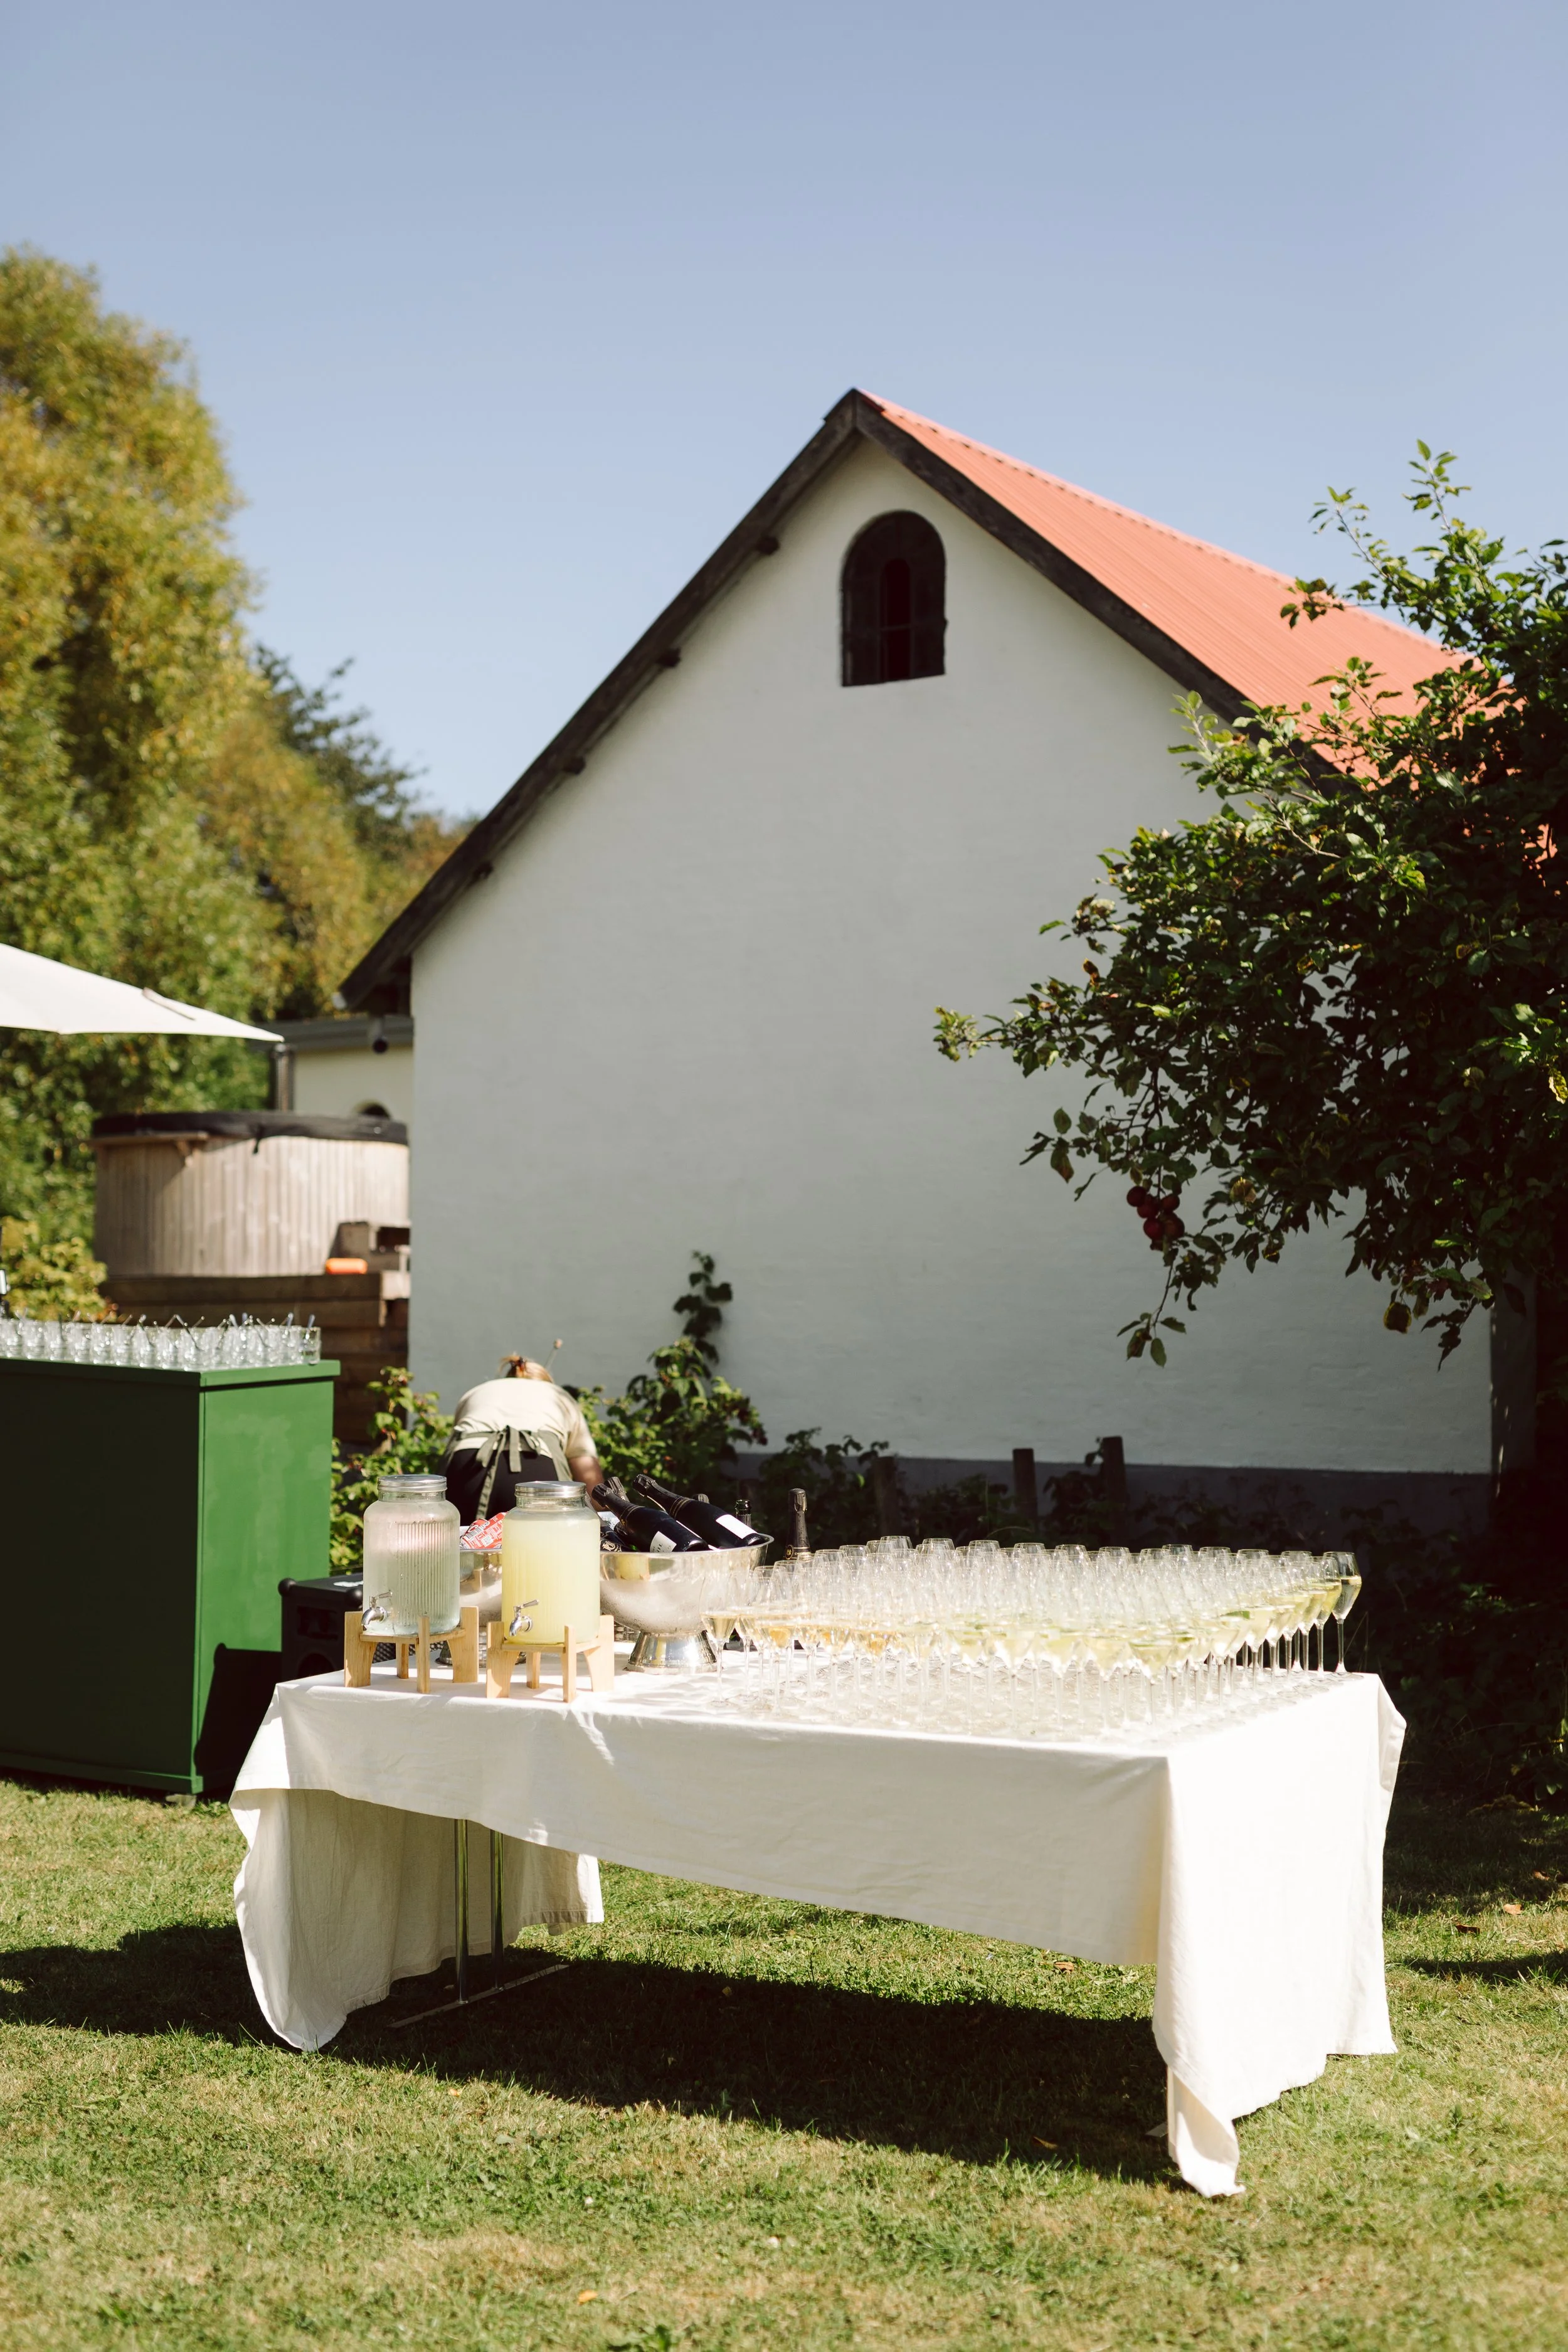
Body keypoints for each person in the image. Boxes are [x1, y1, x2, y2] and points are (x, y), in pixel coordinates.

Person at [443, 1355, 604, 1523]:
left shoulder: (477, 1391)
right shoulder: (559, 1395)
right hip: (537, 1466)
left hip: (467, 1466)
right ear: (545, 1380)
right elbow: (588, 1472)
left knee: (459, 1543)